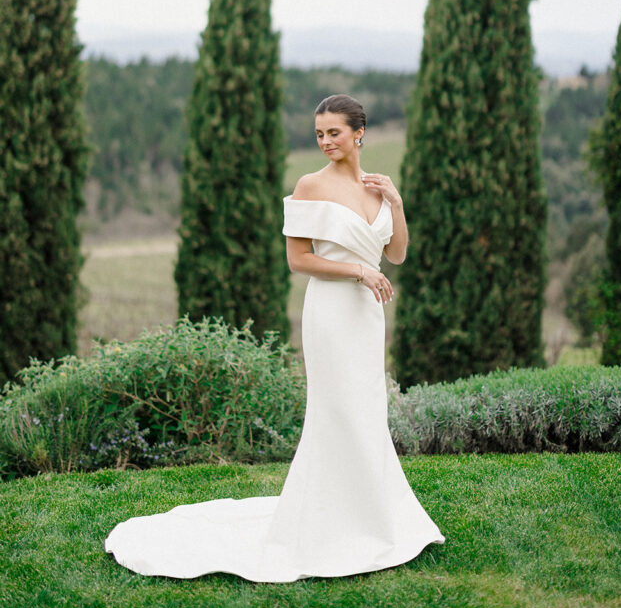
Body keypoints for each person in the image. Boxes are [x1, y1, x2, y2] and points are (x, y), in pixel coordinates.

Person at [105, 94, 444, 581]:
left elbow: (397, 254)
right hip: (331, 312)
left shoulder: (378, 190)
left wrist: (396, 202)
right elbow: (299, 260)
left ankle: (372, 516)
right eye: (319, 133)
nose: (326, 141)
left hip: (368, 317)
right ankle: (324, 524)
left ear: (359, 133)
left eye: (335, 133)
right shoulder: (310, 185)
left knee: (367, 409)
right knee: (336, 410)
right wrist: (356, 272)